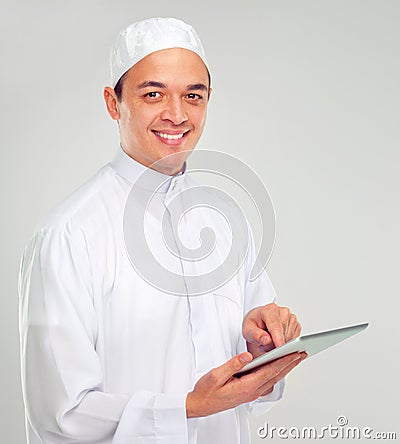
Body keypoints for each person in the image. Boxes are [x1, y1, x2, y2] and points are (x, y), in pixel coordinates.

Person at [18, 17, 306, 444]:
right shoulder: (67, 235)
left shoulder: (225, 222)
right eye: (153, 93)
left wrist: (264, 350)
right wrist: (189, 407)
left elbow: (250, 380)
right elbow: (61, 413)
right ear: (113, 103)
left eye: (194, 95)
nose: (177, 114)